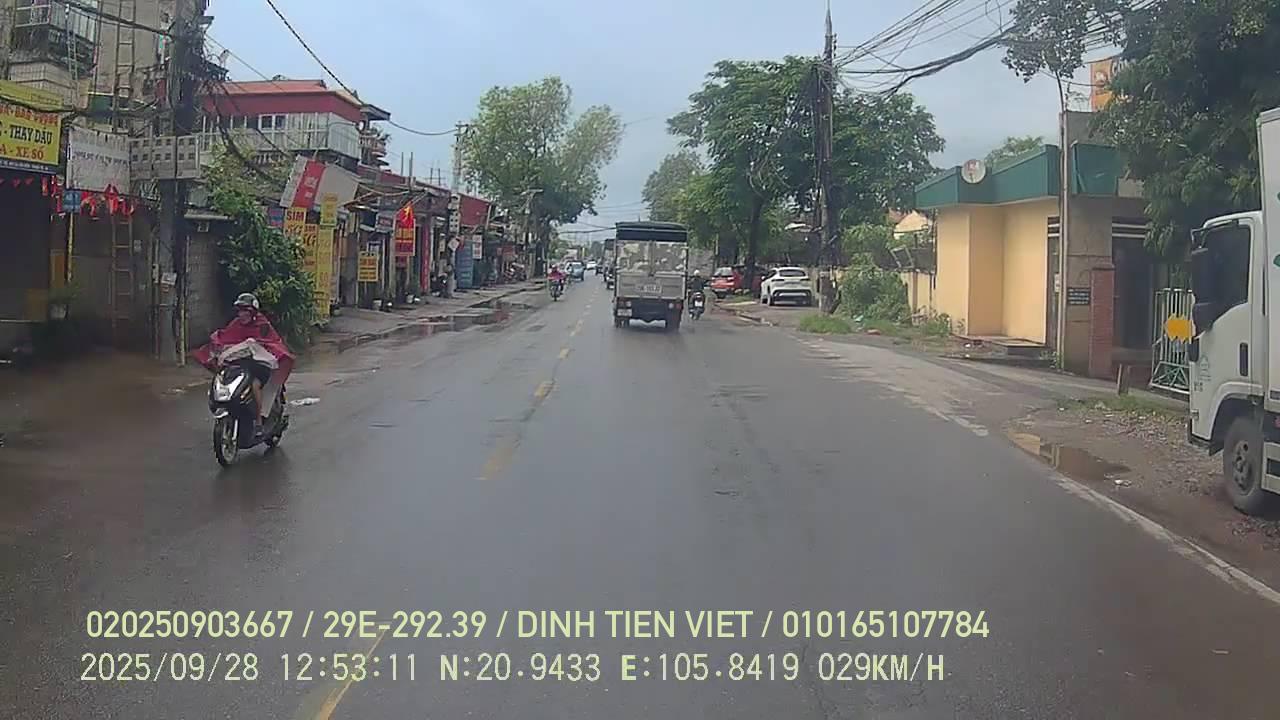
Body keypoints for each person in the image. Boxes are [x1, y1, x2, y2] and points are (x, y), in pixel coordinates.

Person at [202, 293, 294, 436]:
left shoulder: (262, 325)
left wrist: (254, 346)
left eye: (245, 311)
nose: (242, 314)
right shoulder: (235, 324)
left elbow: (270, 343)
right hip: (240, 365)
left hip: (260, 365)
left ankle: (258, 421)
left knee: (254, 385)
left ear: (253, 312)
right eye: (240, 311)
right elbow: (225, 337)